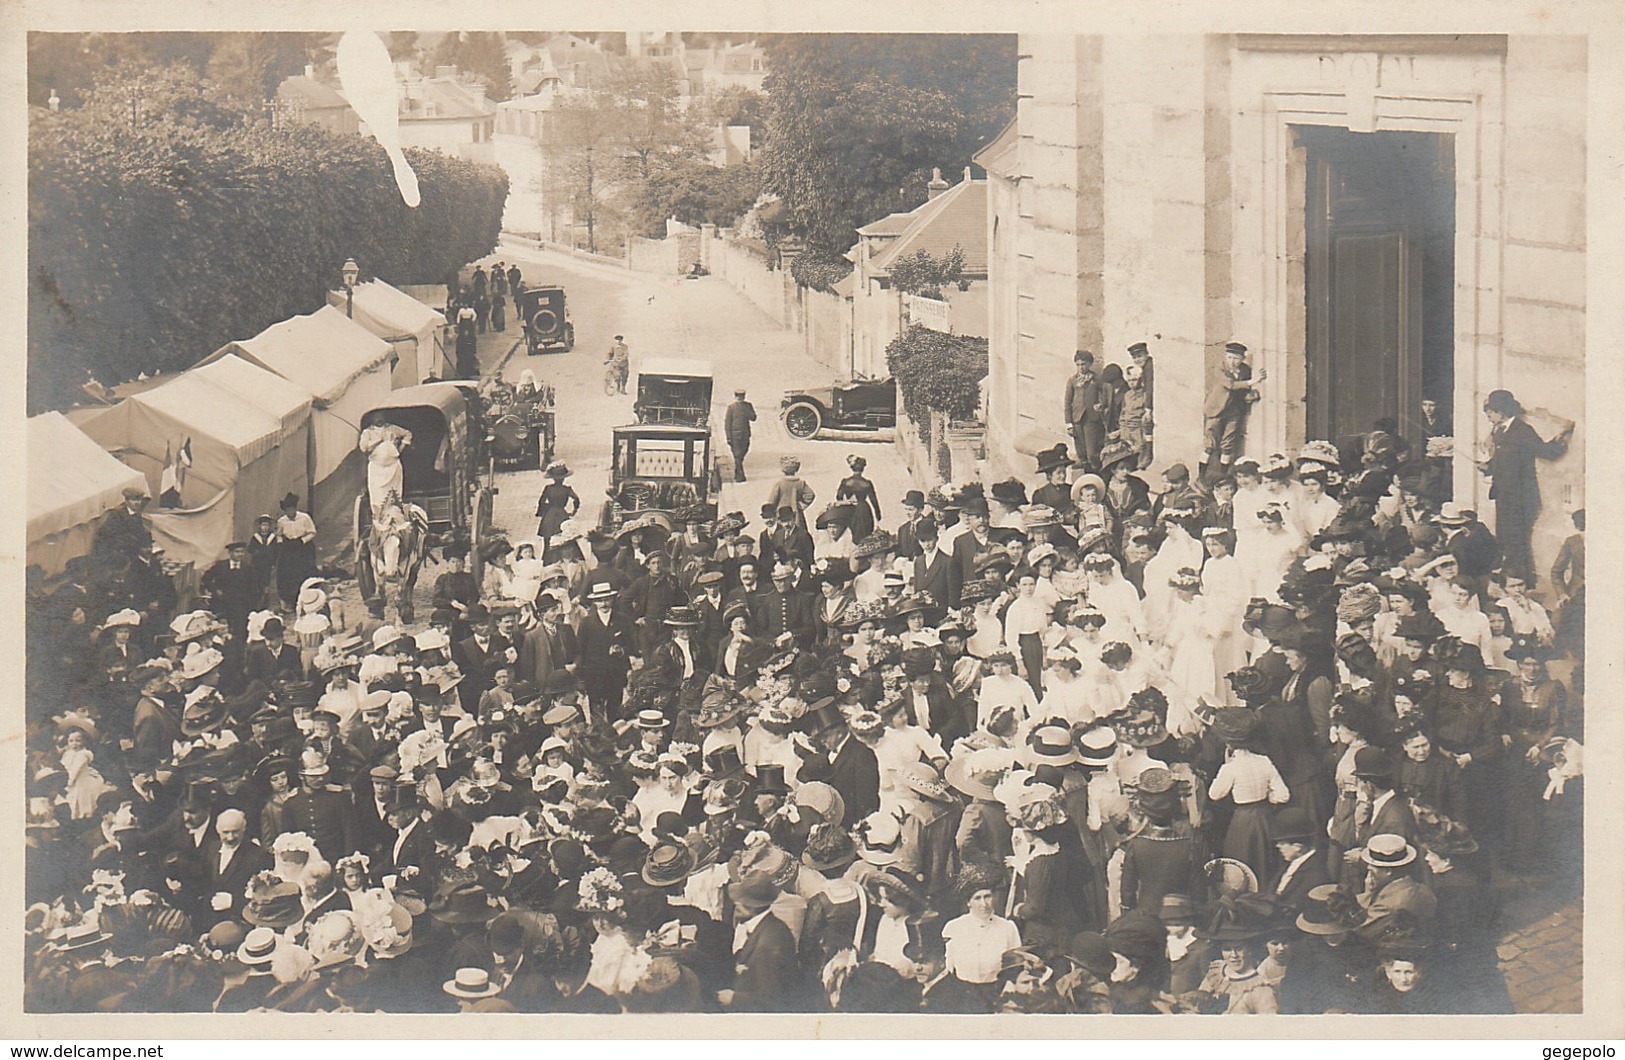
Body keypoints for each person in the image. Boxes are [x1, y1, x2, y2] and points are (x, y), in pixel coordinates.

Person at [1477, 388, 1573, 582]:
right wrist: (1487, 467)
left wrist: (1563, 438)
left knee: (1516, 540)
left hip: (1521, 497)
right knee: (1505, 537)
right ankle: (1513, 577)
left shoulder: (1522, 431)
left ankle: (1519, 580)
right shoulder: (1499, 431)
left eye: (1490, 412)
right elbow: (1502, 460)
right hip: (1504, 494)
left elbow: (1547, 451)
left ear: (1501, 411)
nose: (1488, 416)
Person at [1202, 342, 1266, 481]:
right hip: (1216, 410)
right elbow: (1230, 384)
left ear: (1242, 358)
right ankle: (1202, 477)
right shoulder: (1219, 367)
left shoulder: (1245, 370)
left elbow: (1244, 390)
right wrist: (1253, 381)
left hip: (1233, 412)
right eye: (1229, 357)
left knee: (1227, 445)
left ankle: (1223, 477)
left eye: (1236, 358)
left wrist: (1251, 393)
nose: (1232, 361)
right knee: (1210, 445)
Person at [1064, 351, 1108, 473]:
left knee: (1092, 453)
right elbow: (1067, 402)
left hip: (1091, 419)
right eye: (1078, 365)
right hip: (1077, 419)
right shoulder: (1072, 381)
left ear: (1090, 364)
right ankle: (1087, 474)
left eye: (1083, 364)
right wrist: (1069, 423)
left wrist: (1101, 404)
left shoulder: (1096, 379)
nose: (1081, 367)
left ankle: (1096, 472)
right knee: (1081, 452)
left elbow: (1105, 395)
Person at [275, 493, 318, 609]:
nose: (289, 512)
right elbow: (278, 535)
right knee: (290, 573)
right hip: (289, 549)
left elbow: (312, 532)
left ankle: (310, 597)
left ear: (295, 508)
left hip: (304, 547)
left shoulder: (304, 518)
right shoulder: (281, 521)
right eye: (287, 510)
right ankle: (292, 599)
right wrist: (281, 543)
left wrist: (302, 541)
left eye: (291, 509)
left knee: (306, 570)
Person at [535, 461, 580, 550]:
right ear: (563, 478)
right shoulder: (567, 489)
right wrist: (574, 511)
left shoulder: (548, 488)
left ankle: (547, 557)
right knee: (565, 536)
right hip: (562, 514)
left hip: (549, 514)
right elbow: (576, 499)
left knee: (547, 537)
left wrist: (541, 512)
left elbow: (541, 501)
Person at [725, 389, 756, 482]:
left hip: (745, 434)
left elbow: (754, 418)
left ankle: (737, 471)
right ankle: (740, 476)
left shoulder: (748, 406)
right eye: (739, 397)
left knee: (743, 452)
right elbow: (727, 423)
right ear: (735, 397)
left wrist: (747, 412)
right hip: (735, 435)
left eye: (742, 397)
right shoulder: (731, 407)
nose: (740, 399)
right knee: (737, 455)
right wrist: (728, 437)